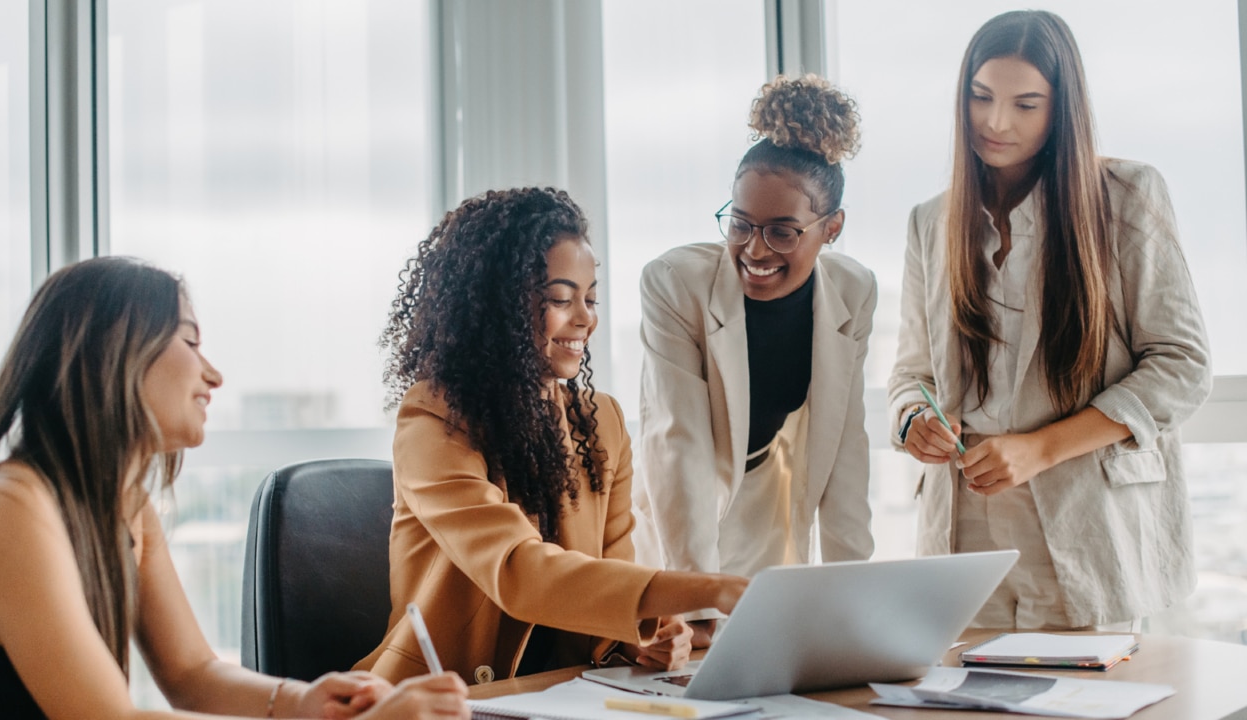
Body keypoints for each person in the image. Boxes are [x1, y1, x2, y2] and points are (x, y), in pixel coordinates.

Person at [0, 257, 469, 720]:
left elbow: (190, 672)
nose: (214, 374)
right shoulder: (7, 507)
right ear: (114, 352)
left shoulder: (128, 508)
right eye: (190, 343)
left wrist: (302, 700)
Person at [889, 10, 1212, 630]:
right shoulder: (931, 221)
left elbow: (1183, 366)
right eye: (980, 97)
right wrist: (913, 419)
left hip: (1088, 528)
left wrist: (1040, 449)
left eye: (1026, 104)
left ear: (1063, 108)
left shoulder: (1127, 195)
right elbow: (912, 372)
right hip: (964, 541)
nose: (996, 122)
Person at [355, 187, 748, 685]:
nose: (585, 318)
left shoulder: (601, 424)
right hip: (442, 700)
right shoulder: (433, 422)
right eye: (561, 299)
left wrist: (647, 635)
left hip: (561, 697)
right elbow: (519, 571)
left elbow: (607, 584)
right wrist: (708, 589)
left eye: (591, 298)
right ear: (497, 308)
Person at [631, 75, 877, 643]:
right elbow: (680, 446)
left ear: (831, 228)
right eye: (740, 224)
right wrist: (695, 604)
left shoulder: (855, 291)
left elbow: (846, 450)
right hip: (680, 520)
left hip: (769, 509)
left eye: (783, 232)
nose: (755, 250)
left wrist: (858, 602)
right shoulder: (674, 284)